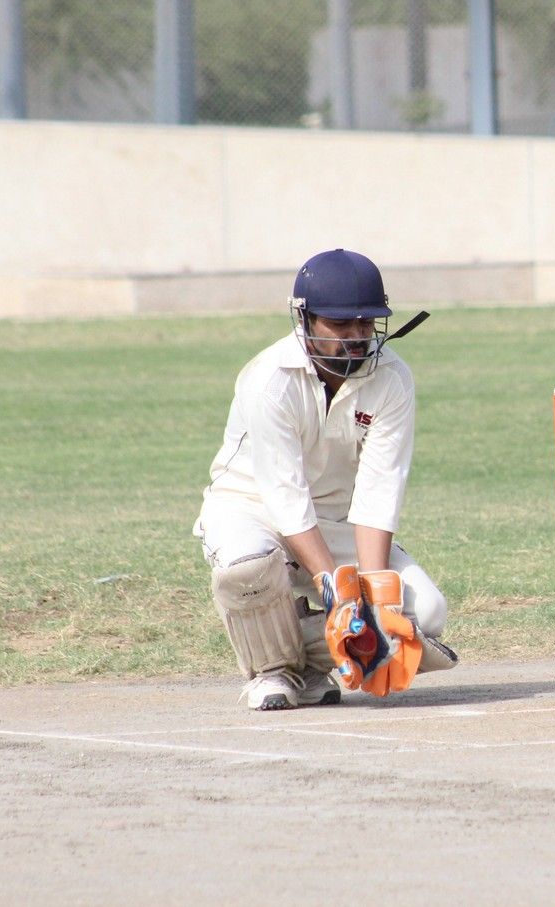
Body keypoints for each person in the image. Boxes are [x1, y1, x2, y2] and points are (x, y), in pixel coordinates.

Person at [194, 248, 457, 711]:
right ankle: (274, 671)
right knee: (248, 570)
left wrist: (374, 598)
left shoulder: (391, 378)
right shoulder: (269, 380)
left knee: (426, 612)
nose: (356, 337)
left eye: (365, 323)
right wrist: (337, 592)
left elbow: (379, 490)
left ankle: (305, 662)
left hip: (333, 520)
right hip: (249, 511)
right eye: (340, 325)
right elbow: (285, 497)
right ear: (305, 319)